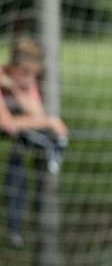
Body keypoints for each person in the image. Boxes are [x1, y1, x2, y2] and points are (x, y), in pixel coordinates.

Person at [1, 37, 68, 251]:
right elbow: (8, 124)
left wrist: (17, 91)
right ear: (12, 68)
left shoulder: (23, 84)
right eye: (24, 73)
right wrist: (51, 121)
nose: (29, 80)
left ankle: (15, 229)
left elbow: (36, 112)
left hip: (15, 136)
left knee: (20, 157)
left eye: (33, 74)